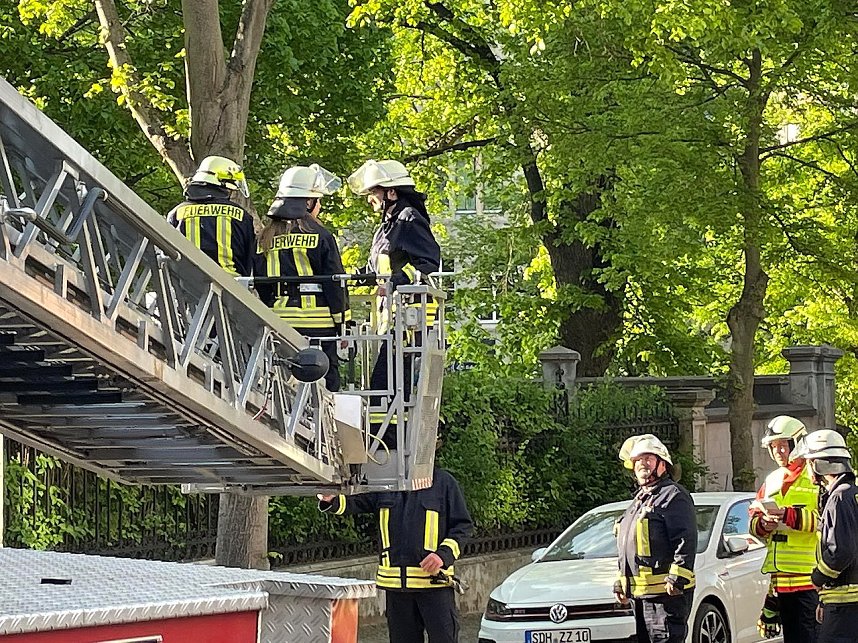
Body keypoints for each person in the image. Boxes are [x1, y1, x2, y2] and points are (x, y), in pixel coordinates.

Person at [319, 468, 472, 643]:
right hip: (397, 590)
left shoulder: (443, 482)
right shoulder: (384, 484)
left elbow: (462, 526)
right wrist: (332, 500)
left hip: (434, 585)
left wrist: (442, 555)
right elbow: (356, 501)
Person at [346, 160, 441, 444]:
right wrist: (350, 278)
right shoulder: (388, 226)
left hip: (411, 319)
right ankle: (384, 437)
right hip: (393, 319)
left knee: (387, 383)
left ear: (391, 192)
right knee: (385, 383)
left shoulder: (409, 219)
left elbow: (429, 263)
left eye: (373, 192)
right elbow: (380, 269)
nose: (370, 199)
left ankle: (388, 440)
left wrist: (398, 281)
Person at [255, 164, 349, 391]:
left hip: (280, 322)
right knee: (326, 381)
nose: (320, 206)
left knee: (280, 380)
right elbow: (335, 283)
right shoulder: (321, 236)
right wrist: (342, 324)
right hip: (319, 325)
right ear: (308, 202)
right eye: (318, 200)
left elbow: (262, 284)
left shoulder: (265, 238)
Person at [614, 434, 697, 643]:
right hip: (641, 598)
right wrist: (621, 581)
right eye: (638, 461)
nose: (643, 464)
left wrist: (678, 577)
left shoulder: (673, 495)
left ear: (662, 465)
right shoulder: (639, 501)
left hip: (665, 598)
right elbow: (628, 548)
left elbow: (685, 538)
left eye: (648, 459)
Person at [748, 415, 819, 642]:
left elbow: (827, 521)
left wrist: (787, 514)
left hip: (811, 582)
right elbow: (752, 518)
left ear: (797, 443)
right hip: (781, 584)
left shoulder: (815, 476)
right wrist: (762, 525)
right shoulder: (772, 480)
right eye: (773, 446)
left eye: (782, 445)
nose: (777, 452)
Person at [791, 429, 858, 643]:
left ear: (818, 463)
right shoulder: (852, 493)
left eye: (809, 461)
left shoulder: (839, 498)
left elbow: (841, 551)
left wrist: (818, 578)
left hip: (845, 606)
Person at [167, 155, 256, 278]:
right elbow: (249, 259)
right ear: (223, 184)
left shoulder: (177, 213)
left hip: (186, 287)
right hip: (232, 289)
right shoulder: (241, 215)